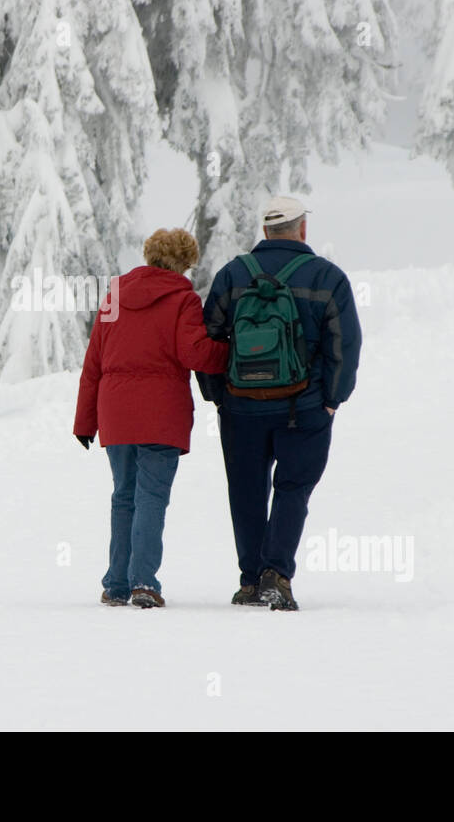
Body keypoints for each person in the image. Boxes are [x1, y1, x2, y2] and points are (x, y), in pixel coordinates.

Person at [197, 196, 362, 610]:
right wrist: (332, 399)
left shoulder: (233, 275)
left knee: (246, 491)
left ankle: (250, 580)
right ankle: (277, 575)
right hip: (303, 408)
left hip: (241, 408)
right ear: (301, 230)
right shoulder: (328, 277)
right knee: (292, 489)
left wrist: (219, 396)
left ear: (266, 232)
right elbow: (346, 343)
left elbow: (207, 342)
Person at [73, 228, 228, 609]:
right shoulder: (183, 299)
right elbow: (194, 353)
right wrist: (230, 354)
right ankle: (143, 582)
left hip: (117, 414)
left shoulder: (113, 297)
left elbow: (93, 363)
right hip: (161, 414)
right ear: (185, 262)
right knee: (152, 497)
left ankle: (116, 584)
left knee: (124, 496)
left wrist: (84, 421)